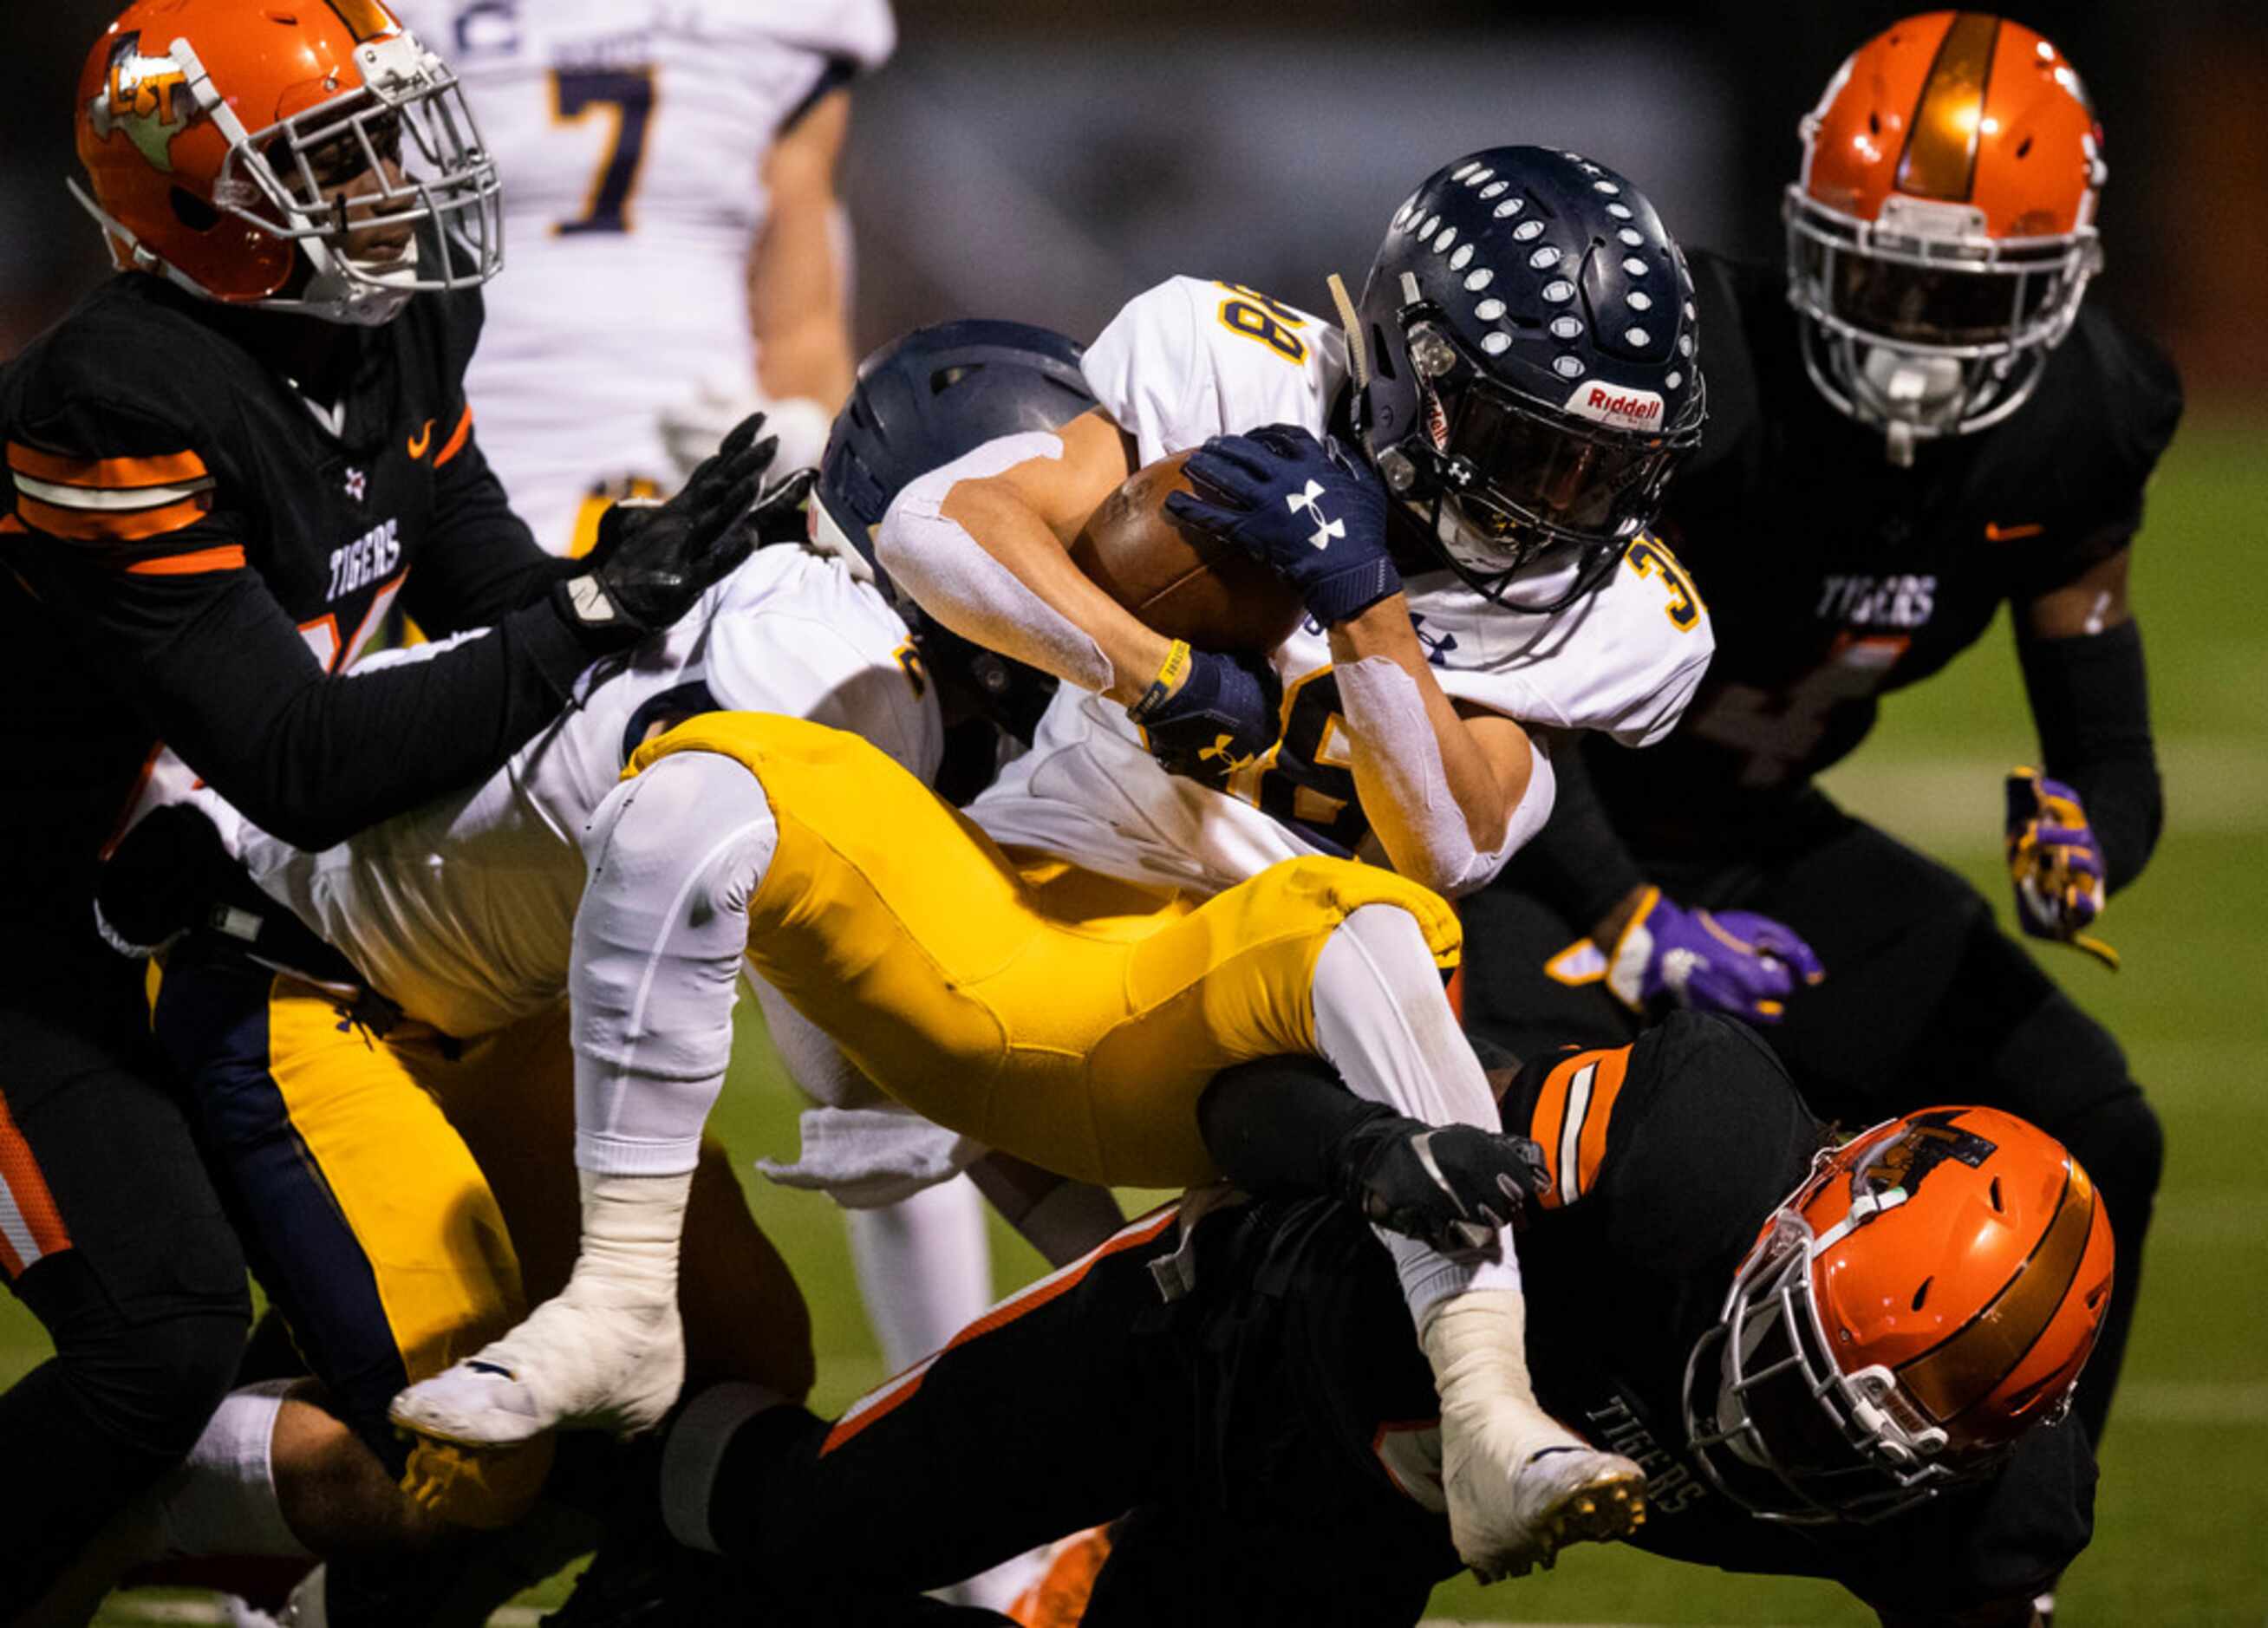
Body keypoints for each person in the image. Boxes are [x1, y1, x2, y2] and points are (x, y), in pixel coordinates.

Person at [395, 145, 1718, 1582]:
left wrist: (1363, 602)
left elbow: (1445, 837)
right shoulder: (1217, 364)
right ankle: (638, 1312)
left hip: (1241, 978)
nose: (1563, 502)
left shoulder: (1629, 618)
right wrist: (1159, 669)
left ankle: (1470, 1415)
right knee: (766, 764)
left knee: (1352, 1007)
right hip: (1029, 891)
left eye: (1606, 465)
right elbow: (946, 522)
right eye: (1532, 448)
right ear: (1410, 372)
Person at [78, 323, 1117, 1620]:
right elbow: (897, 1055)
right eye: (1056, 542)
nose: (1090, 587)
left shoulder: (844, 645)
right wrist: (1127, 1271)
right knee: (467, 1452)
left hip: (483, 999)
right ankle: (80, 1490)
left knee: (744, 1360)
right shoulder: (844, 694)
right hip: (296, 982)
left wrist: (1125, 1256)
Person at [0, 0, 768, 1610]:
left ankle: (218, 1559)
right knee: (164, 1342)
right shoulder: (111, 397)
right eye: (330, 153)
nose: (384, 178)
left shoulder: (397, 327)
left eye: (379, 134)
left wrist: (658, 599)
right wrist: (583, 624)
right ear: (197, 200)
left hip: (182, 910)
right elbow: (296, 753)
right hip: (30, 939)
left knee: (463, 1365)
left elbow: (479, 580)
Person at [1457, 13, 2177, 1457]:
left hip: (1757, 858)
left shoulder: (2084, 421)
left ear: (2061, 282)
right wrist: (1616, 901)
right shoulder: (1695, 374)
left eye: (1959, 298)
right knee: (1474, 1164)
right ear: (1805, 238)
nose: (1909, 343)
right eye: (1878, 281)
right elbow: (1487, 680)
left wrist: (2086, 845)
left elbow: (2106, 752)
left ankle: (1992, 1560)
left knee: (2094, 1121)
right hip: (1542, 839)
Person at [642, 1014, 2112, 1627]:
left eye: (1839, 1441)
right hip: (1230, 1320)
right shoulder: (1682, 1155)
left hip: (1348, 1531)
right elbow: (1310, 1075)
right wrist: (1356, 1156)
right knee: (807, 1533)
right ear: (1800, 1211)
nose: (1771, 1435)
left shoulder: (1986, 1522)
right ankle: (615, 1475)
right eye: (1792, 1370)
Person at [385, 0, 895, 552]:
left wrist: (801, 450)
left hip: (698, 470)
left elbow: (801, 325)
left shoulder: (782, 22)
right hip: (448, 479)